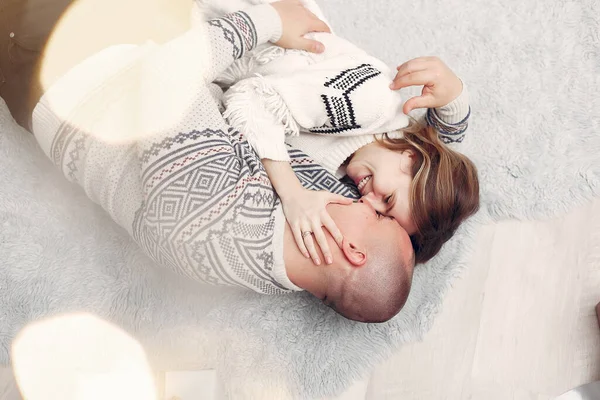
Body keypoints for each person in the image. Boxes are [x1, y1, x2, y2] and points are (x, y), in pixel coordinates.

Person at [0, 0, 414, 322]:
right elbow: (395, 163)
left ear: (353, 252)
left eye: (378, 217)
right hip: (135, 49)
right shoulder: (316, 224)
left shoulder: (213, 226)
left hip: (71, 68)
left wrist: (267, 21)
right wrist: (452, 106)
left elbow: (163, 76)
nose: (367, 202)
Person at [218, 9, 480, 266]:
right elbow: (250, 99)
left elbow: (444, 147)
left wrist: (455, 101)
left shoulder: (358, 172)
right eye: (388, 199)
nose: (367, 202)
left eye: (380, 215)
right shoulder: (370, 102)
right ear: (410, 158)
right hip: (236, 19)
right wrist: (292, 194)